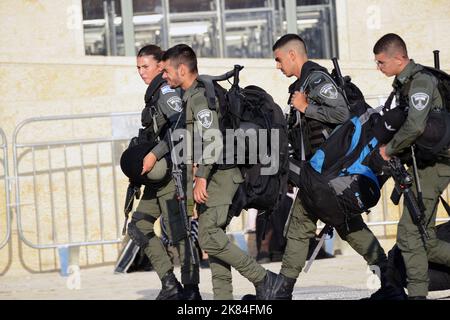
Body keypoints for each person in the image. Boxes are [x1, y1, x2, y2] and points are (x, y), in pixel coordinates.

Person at [268, 34, 402, 300]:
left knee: (300, 227)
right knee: (350, 227)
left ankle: (281, 293)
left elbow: (340, 113)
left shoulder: (316, 80)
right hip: (324, 174)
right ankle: (390, 283)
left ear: (293, 55)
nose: (277, 65)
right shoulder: (302, 84)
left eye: (279, 59)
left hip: (327, 173)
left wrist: (306, 107)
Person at [161, 44, 275, 300]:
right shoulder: (191, 96)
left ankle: (264, 279)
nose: (164, 76)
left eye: (167, 71)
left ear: (182, 69)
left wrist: (200, 177)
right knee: (214, 239)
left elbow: (212, 139)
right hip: (214, 175)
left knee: (208, 236)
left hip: (221, 174)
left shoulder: (200, 98)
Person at [373, 33, 450, 299]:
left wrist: (389, 149)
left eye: (381, 62)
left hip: (436, 165)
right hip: (426, 164)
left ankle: (417, 294)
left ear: (399, 58)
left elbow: (416, 126)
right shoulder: (404, 84)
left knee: (408, 234)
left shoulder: (420, 82)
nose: (379, 67)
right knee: (425, 240)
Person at [126, 44, 201, 300]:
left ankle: (191, 292)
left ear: (161, 66)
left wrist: (154, 154)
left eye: (145, 66)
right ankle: (170, 285)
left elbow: (181, 129)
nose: (140, 72)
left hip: (173, 174)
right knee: (138, 225)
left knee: (180, 235)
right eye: (137, 67)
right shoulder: (154, 93)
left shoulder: (166, 92)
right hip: (158, 177)